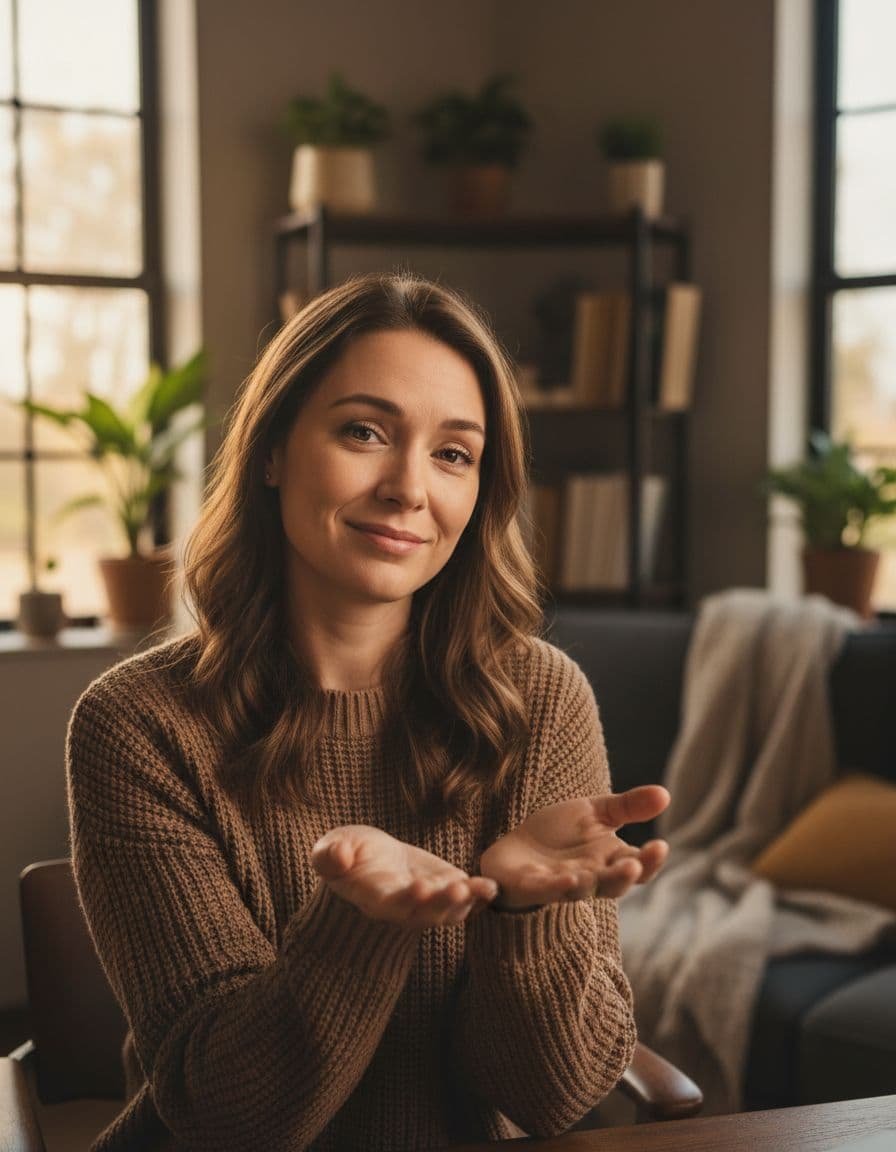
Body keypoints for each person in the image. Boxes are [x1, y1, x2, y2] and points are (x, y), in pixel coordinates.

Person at [66, 272, 671, 1152]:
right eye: (364, 432)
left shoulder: (539, 699)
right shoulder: (139, 725)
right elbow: (228, 1119)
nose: (408, 488)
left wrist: (524, 921)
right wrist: (360, 922)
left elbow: (556, 1098)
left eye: (453, 454)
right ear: (272, 450)